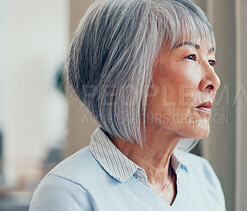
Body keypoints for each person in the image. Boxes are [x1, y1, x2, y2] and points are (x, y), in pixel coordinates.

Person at [29, 0, 225, 210]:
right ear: (126, 73)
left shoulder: (203, 177)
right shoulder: (68, 192)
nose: (214, 80)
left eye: (211, 61)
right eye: (191, 57)